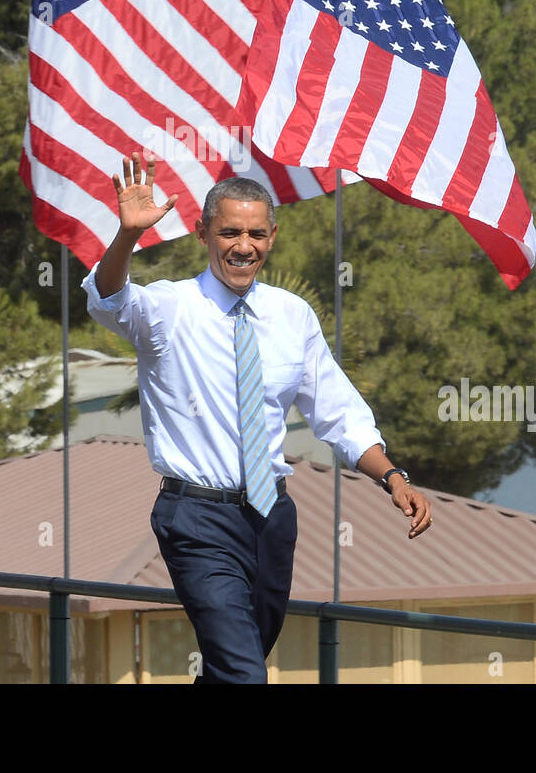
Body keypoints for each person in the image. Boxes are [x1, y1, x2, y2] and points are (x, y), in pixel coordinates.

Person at [83, 152, 433, 684]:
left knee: (233, 670)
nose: (242, 247)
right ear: (202, 234)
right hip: (196, 519)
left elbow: (337, 412)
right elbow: (109, 300)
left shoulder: (292, 315)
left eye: (255, 234)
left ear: (272, 236)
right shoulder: (170, 309)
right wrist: (128, 236)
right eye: (228, 233)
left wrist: (391, 476)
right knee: (245, 675)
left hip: (271, 520)